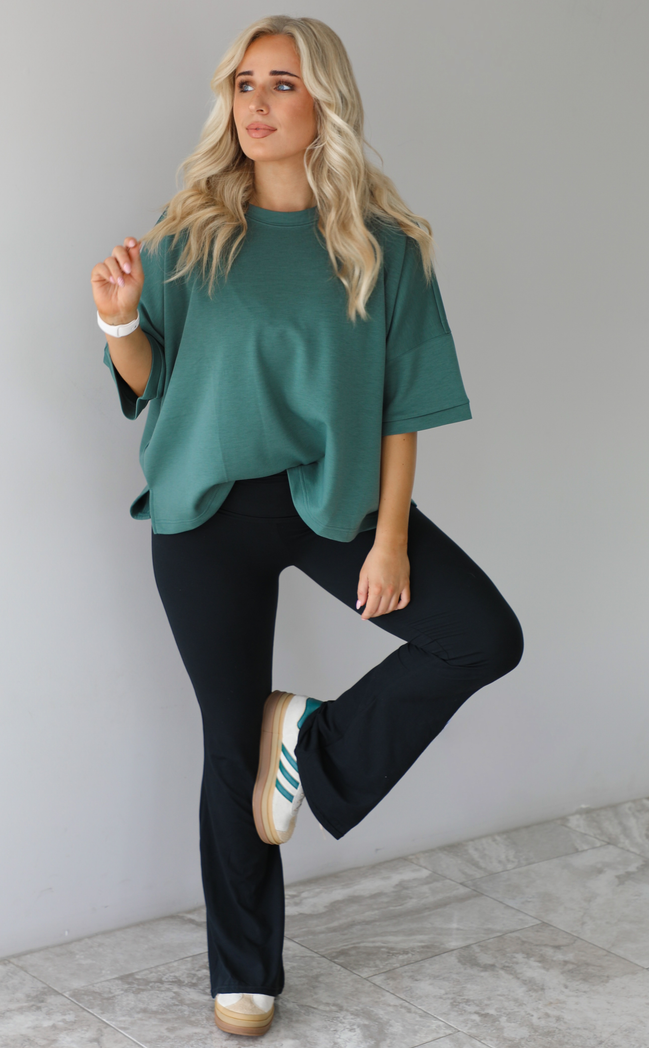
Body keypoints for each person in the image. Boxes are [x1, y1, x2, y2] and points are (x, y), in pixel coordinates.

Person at [90, 14, 524, 1038]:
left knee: (482, 635)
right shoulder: (191, 231)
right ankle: (243, 970)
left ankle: (318, 744)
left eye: (280, 83)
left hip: (332, 501)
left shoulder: (386, 248)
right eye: (244, 84)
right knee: (229, 747)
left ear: (322, 99)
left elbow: (403, 405)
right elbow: (158, 382)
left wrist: (390, 537)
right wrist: (115, 321)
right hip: (205, 511)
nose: (255, 103)